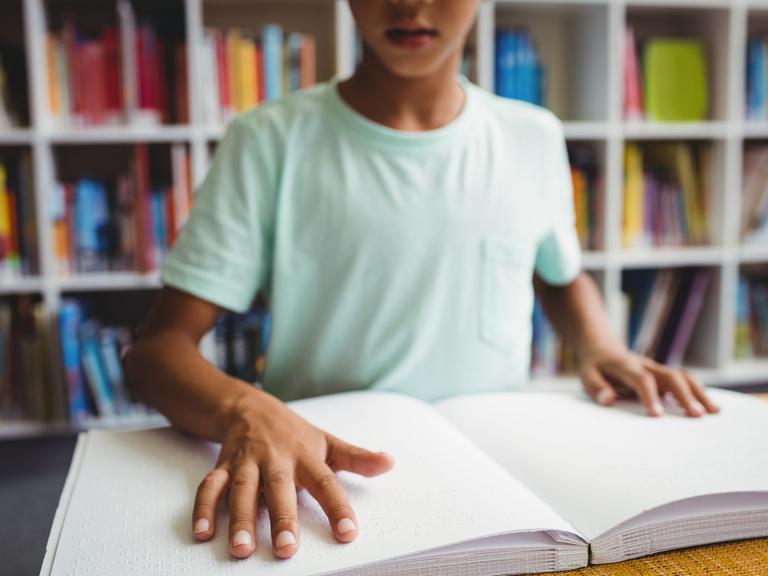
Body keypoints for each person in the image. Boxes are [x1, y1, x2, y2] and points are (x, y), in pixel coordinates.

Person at [124, 0, 720, 563]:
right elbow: (156, 351)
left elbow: (558, 275)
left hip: (498, 474)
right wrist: (244, 409)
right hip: (324, 478)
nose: (410, 2)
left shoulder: (532, 136)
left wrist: (602, 345)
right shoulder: (268, 140)